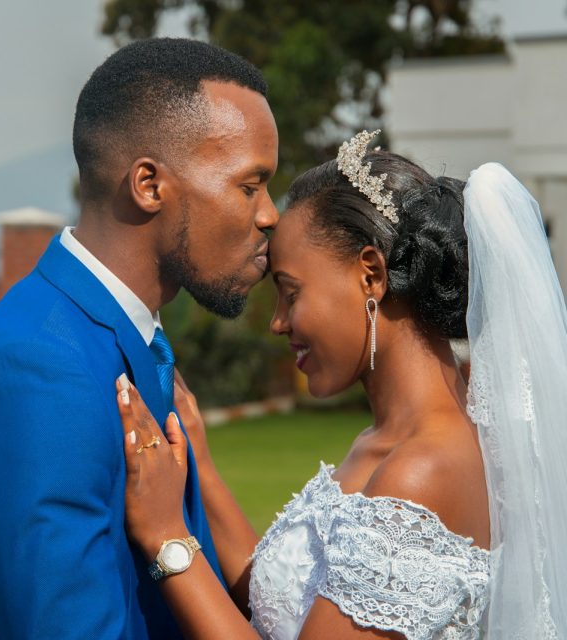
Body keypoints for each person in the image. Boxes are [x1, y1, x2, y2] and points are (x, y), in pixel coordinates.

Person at [115, 131, 567, 638]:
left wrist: (167, 538)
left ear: (371, 274)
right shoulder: (389, 444)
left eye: (290, 293)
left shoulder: (424, 469)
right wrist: (198, 458)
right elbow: (282, 599)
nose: (278, 323)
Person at [0, 38, 278, 639]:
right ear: (148, 184)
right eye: (250, 185)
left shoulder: (121, 339)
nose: (270, 214)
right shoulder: (35, 369)